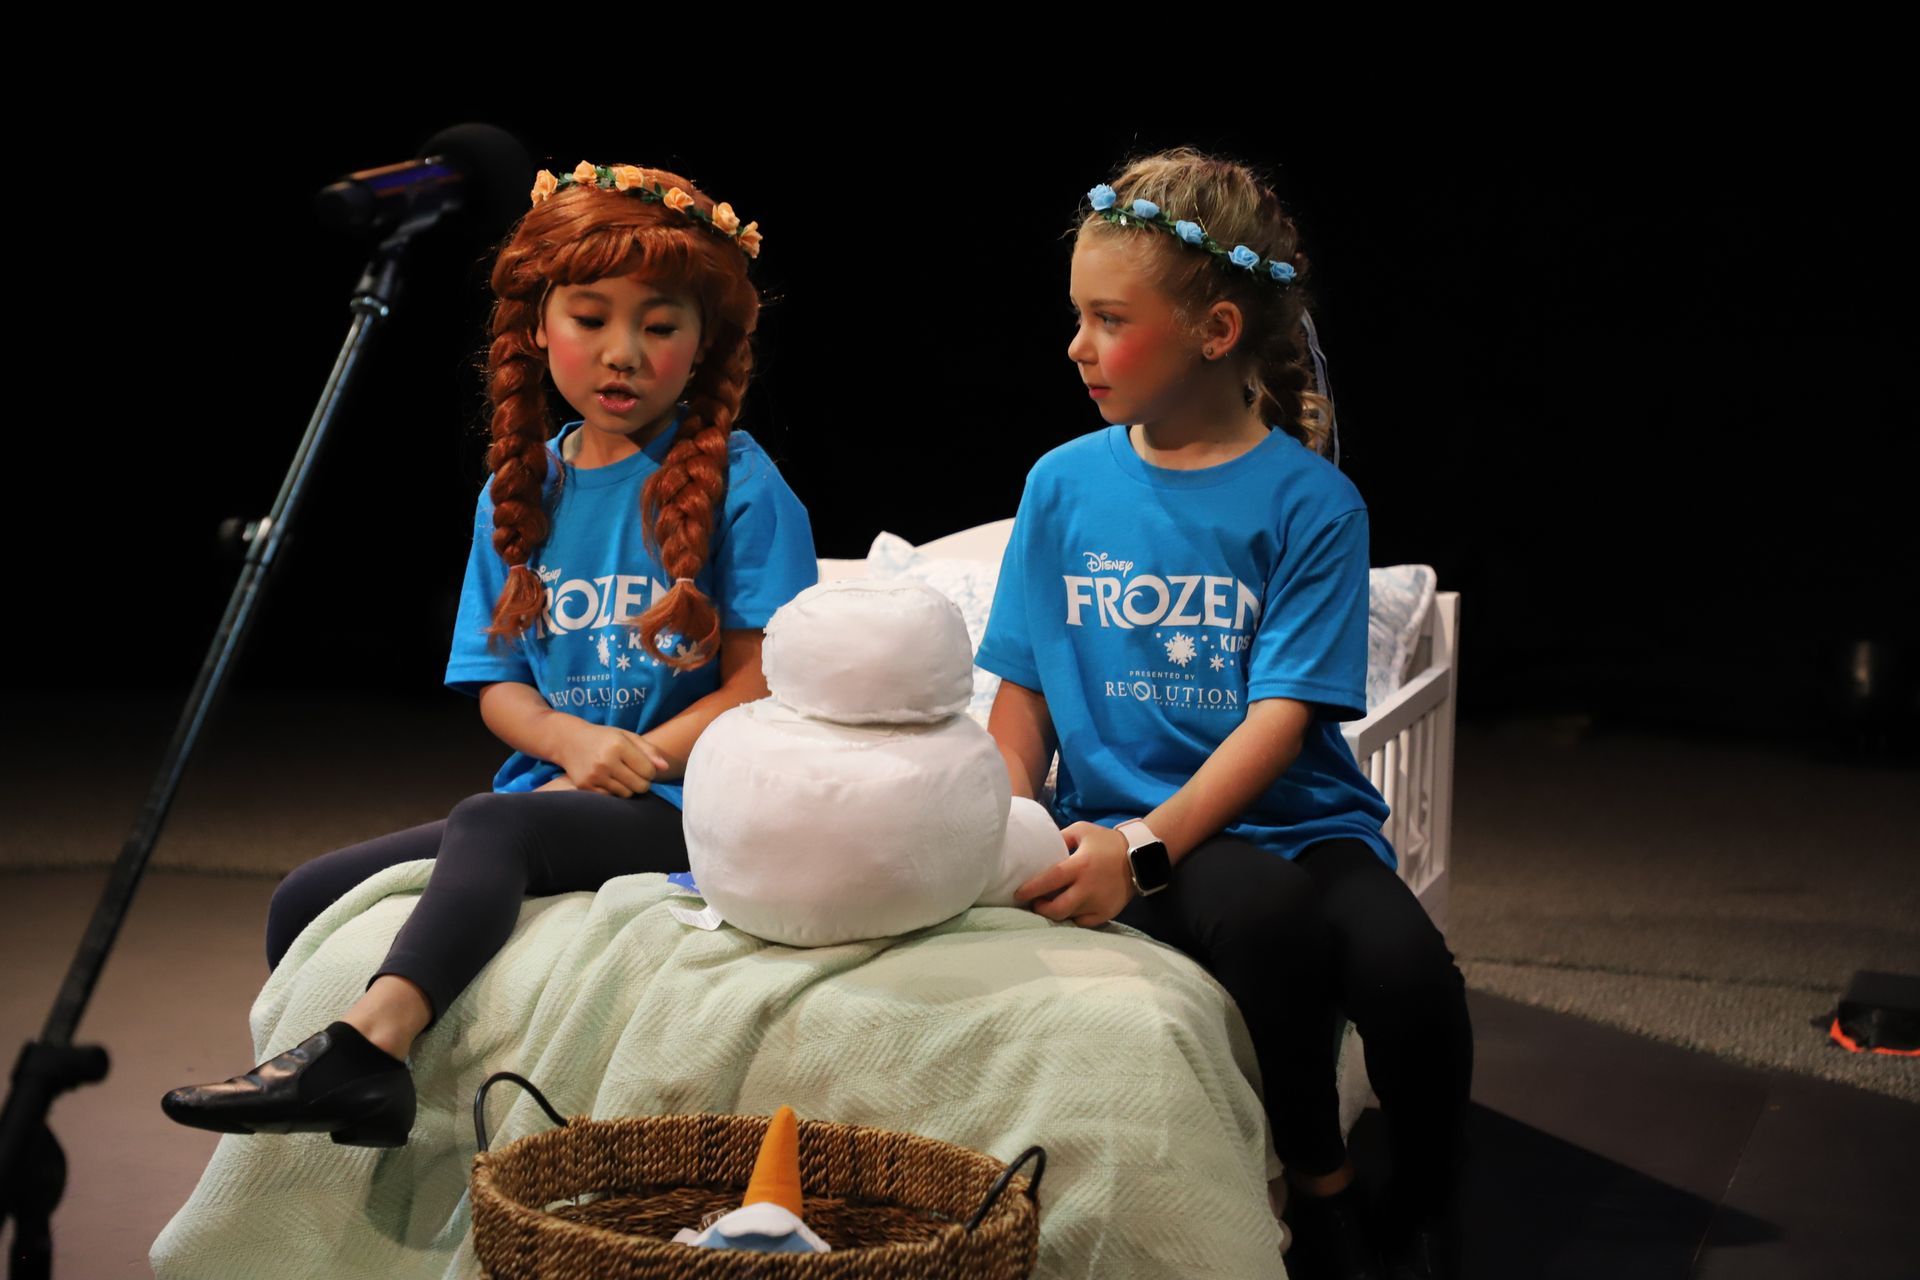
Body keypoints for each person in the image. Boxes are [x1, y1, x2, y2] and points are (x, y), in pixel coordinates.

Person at [162, 160, 815, 1149]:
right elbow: (498, 686)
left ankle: (370, 1049)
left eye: (661, 324)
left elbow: (767, 682)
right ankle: (332, 1095)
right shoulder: (520, 488)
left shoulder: (746, 485)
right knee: (306, 892)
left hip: (698, 806)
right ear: (538, 326)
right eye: (591, 318)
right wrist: (565, 742)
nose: (623, 352)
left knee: (492, 824)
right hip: (560, 791)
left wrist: (630, 761)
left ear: (705, 340)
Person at [977, 148, 1472, 1280]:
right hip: (1132, 822)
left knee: (1410, 980)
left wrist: (1145, 846)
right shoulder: (1062, 482)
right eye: (1076, 316)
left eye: (1109, 318)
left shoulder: (1310, 500)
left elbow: (1280, 721)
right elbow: (1026, 694)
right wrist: (1008, 826)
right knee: (1258, 913)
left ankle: (1433, 1201)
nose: (1077, 345)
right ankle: (1321, 1189)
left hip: (1290, 818)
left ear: (1214, 330)